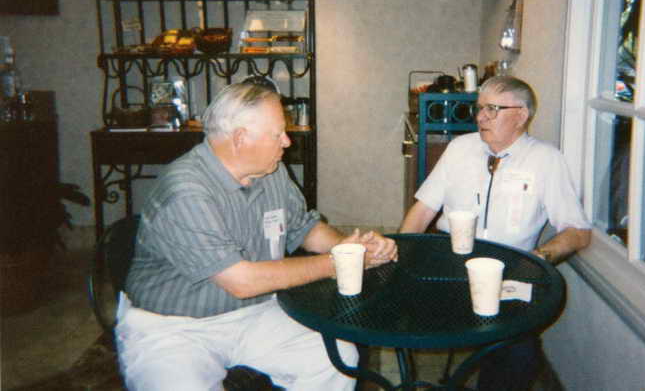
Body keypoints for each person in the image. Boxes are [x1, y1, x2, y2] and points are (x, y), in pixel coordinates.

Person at [116, 77, 398, 391]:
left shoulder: (271, 171)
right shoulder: (185, 191)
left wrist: (351, 248)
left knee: (339, 358)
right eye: (278, 134)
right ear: (240, 138)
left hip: (255, 313)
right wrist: (337, 263)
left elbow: (303, 228)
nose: (287, 142)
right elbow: (241, 281)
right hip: (172, 326)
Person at [399, 75, 590, 391]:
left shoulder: (546, 160)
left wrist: (538, 258)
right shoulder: (460, 148)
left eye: (492, 109)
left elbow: (578, 231)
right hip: (450, 260)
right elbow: (423, 210)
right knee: (402, 313)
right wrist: (401, 254)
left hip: (510, 268)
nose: (480, 117)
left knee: (519, 354)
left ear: (521, 115)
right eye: (479, 108)